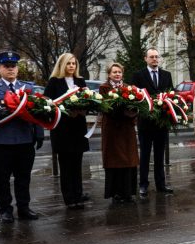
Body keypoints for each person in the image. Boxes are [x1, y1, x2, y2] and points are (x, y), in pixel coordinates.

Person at [0, 51, 45, 223]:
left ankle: (24, 207)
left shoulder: (28, 88)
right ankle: (5, 210)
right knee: (2, 179)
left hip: (24, 140)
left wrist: (39, 132)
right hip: (2, 141)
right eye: (6, 66)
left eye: (13, 66)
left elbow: (38, 110)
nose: (11, 69)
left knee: (24, 177)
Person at [43, 53, 90, 209]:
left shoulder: (80, 81)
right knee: (65, 165)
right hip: (62, 130)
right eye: (68, 63)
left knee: (77, 164)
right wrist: (65, 112)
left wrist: (83, 110)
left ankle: (78, 195)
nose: (71, 66)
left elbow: (89, 101)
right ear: (62, 65)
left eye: (74, 63)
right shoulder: (54, 82)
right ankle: (69, 198)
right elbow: (47, 105)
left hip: (78, 128)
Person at [130, 48, 174, 196]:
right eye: (152, 57)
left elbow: (171, 93)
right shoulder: (138, 75)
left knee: (160, 155)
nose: (155, 59)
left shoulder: (166, 75)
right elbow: (135, 96)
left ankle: (161, 184)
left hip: (161, 123)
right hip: (146, 122)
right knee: (145, 155)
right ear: (146, 59)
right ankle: (143, 184)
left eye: (156, 57)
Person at [99, 64, 139, 203]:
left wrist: (133, 112)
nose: (117, 74)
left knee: (128, 159)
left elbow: (136, 105)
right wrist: (122, 111)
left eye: (119, 72)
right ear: (109, 74)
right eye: (114, 72)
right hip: (112, 129)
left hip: (127, 129)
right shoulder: (104, 88)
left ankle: (128, 192)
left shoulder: (129, 88)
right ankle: (115, 192)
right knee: (114, 160)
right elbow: (106, 107)